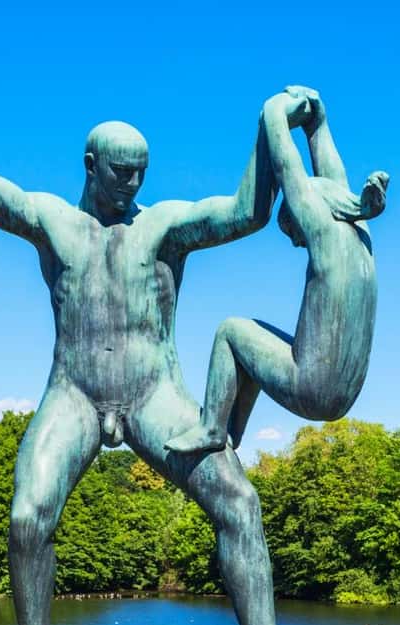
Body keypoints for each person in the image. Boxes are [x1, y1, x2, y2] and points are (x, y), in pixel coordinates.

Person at [0, 36, 334, 625]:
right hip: (74, 393)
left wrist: (271, 128)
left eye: (141, 172)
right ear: (91, 166)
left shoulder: (164, 226)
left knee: (239, 503)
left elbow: (247, 212)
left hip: (155, 394)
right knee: (27, 516)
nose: (133, 183)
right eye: (122, 172)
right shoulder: (52, 220)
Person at [165, 87, 388, 454]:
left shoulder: (324, 233)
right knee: (255, 339)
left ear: (307, 216)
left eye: (293, 230)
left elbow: (288, 169)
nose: (298, 243)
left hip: (313, 388)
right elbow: (333, 180)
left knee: (230, 332)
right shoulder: (360, 232)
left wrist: (274, 112)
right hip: (345, 393)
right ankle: (232, 432)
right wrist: (318, 124)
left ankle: (211, 428)